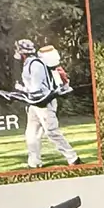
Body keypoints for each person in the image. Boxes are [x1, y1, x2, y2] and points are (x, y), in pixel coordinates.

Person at [12, 37, 78, 168]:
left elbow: (36, 89)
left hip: (44, 103)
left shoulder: (35, 65)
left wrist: (21, 89)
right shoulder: (28, 64)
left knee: (51, 132)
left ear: (22, 51)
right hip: (34, 104)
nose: (16, 52)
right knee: (31, 134)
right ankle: (34, 163)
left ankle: (73, 159)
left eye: (17, 49)